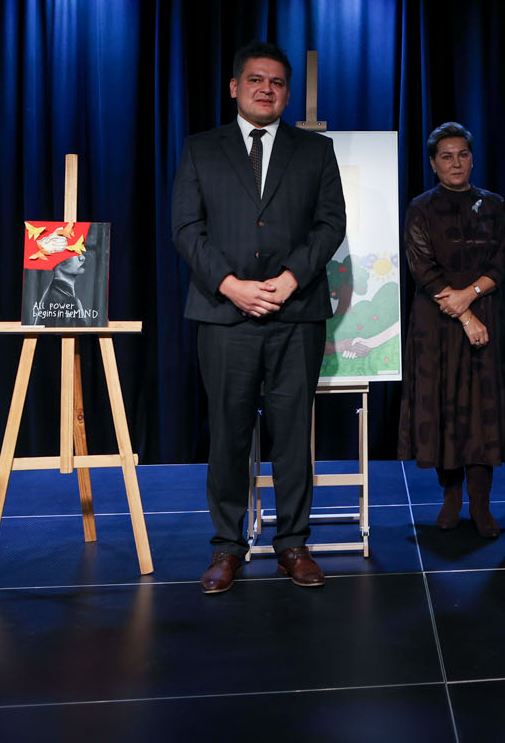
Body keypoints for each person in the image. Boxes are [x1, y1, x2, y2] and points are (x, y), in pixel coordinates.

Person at [172, 40, 346, 594]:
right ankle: (227, 547)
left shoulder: (315, 151)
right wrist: (231, 286)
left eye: (276, 82)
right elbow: (186, 228)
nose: (266, 89)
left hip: (296, 314)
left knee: (292, 436)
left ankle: (293, 543)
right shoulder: (201, 149)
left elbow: (330, 224)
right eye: (255, 79)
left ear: (287, 93)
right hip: (225, 315)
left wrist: (291, 279)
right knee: (228, 435)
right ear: (234, 87)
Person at [398, 122, 505, 537]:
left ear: (472, 158)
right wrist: (463, 312)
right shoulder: (420, 208)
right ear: (433, 163)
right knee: (444, 409)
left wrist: (472, 295)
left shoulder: (494, 205)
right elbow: (422, 268)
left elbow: (503, 261)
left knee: (483, 414)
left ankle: (481, 506)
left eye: (462, 154)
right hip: (438, 322)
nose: (456, 163)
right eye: (446, 156)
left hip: (486, 318)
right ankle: (450, 499)